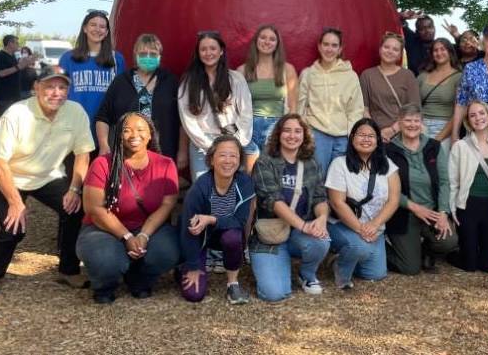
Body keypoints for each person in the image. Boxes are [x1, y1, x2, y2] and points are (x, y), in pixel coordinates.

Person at [0, 71, 94, 293]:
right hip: (6, 174)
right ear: (36, 87)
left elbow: (83, 155)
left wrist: (74, 189)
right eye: (50, 87)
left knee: (75, 210)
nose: (56, 93)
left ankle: (68, 270)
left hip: (46, 175)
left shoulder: (76, 112)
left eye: (62, 88)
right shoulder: (17, 113)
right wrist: (15, 202)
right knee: (14, 226)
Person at [77, 112, 180, 303]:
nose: (134, 135)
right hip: (105, 228)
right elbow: (94, 209)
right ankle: (104, 285)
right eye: (127, 130)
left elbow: (167, 204)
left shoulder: (166, 164)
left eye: (141, 130)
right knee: (106, 259)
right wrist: (127, 236)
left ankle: (140, 279)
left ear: (150, 135)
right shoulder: (102, 164)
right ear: (118, 135)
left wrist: (143, 235)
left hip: (147, 226)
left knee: (168, 250)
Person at [250, 114, 330, 301]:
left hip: (299, 233)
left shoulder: (312, 163)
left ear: (304, 135)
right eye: (287, 130)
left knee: (321, 241)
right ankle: (277, 265)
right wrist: (304, 225)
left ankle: (307, 274)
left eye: (297, 131)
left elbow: (320, 197)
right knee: (274, 293)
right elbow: (274, 201)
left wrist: (321, 219)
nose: (292, 135)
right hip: (270, 235)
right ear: (278, 134)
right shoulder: (264, 162)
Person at [325, 118, 401, 289]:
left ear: (378, 141)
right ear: (352, 138)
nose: (366, 139)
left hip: (375, 229)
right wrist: (361, 229)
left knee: (375, 274)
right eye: (361, 135)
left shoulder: (388, 165)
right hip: (342, 225)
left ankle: (347, 257)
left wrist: (374, 225)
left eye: (371, 136)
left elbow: (394, 200)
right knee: (360, 247)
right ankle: (341, 269)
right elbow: (337, 203)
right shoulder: (340, 164)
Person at [179, 135, 255, 304]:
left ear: (239, 160)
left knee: (233, 237)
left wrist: (211, 219)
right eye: (222, 155)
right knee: (194, 295)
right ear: (211, 160)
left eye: (233, 155)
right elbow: (187, 229)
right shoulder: (200, 187)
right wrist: (192, 265)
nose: (228, 161)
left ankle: (233, 284)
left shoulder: (244, 183)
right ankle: (185, 266)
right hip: (200, 238)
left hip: (227, 234)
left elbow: (239, 222)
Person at [385, 105, 457, 274]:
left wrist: (443, 213)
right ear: (399, 123)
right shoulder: (388, 150)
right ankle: (377, 250)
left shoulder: (434, 147)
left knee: (449, 241)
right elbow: (386, 189)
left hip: (430, 211)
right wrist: (414, 207)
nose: (412, 124)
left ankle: (425, 251)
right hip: (403, 213)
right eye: (408, 120)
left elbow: (444, 182)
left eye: (416, 120)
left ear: (422, 123)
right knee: (409, 268)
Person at [95, 34, 184, 167]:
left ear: (160, 56)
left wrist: (183, 151)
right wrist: (103, 146)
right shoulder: (121, 82)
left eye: (153, 54)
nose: (148, 57)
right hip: (127, 154)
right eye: (143, 53)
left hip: (162, 154)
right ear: (135, 55)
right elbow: (103, 117)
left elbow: (182, 120)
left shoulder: (170, 82)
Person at [178, 31, 254, 179]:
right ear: (198, 53)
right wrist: (210, 145)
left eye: (213, 48)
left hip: (231, 143)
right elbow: (188, 119)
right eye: (203, 49)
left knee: (231, 191)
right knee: (204, 192)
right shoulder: (188, 81)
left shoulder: (236, 79)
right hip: (201, 146)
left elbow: (246, 114)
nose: (208, 53)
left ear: (221, 51)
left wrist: (234, 144)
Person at [448, 101, 488, 272]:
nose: (478, 118)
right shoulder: (460, 146)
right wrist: (453, 211)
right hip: (468, 206)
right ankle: (452, 254)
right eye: (472, 115)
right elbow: (453, 183)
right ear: (468, 121)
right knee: (470, 265)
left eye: (481, 113)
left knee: (487, 266)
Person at [297, 28, 365, 174]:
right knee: (317, 179)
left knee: (338, 182)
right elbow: (300, 107)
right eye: (326, 44)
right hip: (317, 135)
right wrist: (305, 134)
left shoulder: (350, 76)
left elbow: (356, 109)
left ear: (340, 49)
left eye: (334, 45)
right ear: (319, 46)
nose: (329, 49)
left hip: (343, 138)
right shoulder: (308, 74)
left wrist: (352, 137)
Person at [59, 10, 126, 140]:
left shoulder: (117, 59)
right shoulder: (68, 58)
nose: (97, 29)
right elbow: (60, 92)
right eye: (93, 25)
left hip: (105, 128)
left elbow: (121, 95)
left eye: (102, 26)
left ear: (107, 32)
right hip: (75, 127)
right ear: (85, 28)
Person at [237, 25, 298, 160]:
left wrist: (286, 131)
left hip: (276, 127)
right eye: (263, 37)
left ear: (277, 44)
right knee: (251, 174)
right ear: (256, 41)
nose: (267, 42)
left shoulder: (287, 69)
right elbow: (237, 107)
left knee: (271, 172)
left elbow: (293, 107)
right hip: (249, 128)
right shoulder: (242, 71)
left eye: (272, 39)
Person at [360, 32, 421, 143]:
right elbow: (365, 109)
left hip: (403, 134)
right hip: (376, 136)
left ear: (399, 54)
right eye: (386, 47)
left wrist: (393, 130)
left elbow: (414, 109)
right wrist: (375, 132)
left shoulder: (408, 75)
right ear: (380, 49)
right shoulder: (367, 75)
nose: (390, 51)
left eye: (395, 49)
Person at [418, 39, 462, 148]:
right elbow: (414, 104)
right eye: (435, 50)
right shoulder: (423, 76)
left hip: (445, 128)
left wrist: (438, 138)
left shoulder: (459, 77)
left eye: (443, 49)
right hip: (420, 126)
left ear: (450, 52)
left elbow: (460, 110)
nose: (439, 53)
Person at [0, 35, 36, 116]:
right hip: (5, 96)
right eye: (16, 43)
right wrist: (18, 66)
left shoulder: (13, 56)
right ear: (10, 43)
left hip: (15, 94)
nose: (18, 45)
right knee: (6, 119)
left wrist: (26, 62)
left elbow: (17, 69)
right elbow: (1, 73)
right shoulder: (0, 56)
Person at [399, 10, 436, 75]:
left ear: (434, 28)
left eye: (430, 27)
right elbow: (401, 24)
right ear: (417, 32)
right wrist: (402, 17)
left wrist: (457, 36)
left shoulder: (442, 47)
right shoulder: (412, 43)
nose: (427, 31)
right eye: (422, 29)